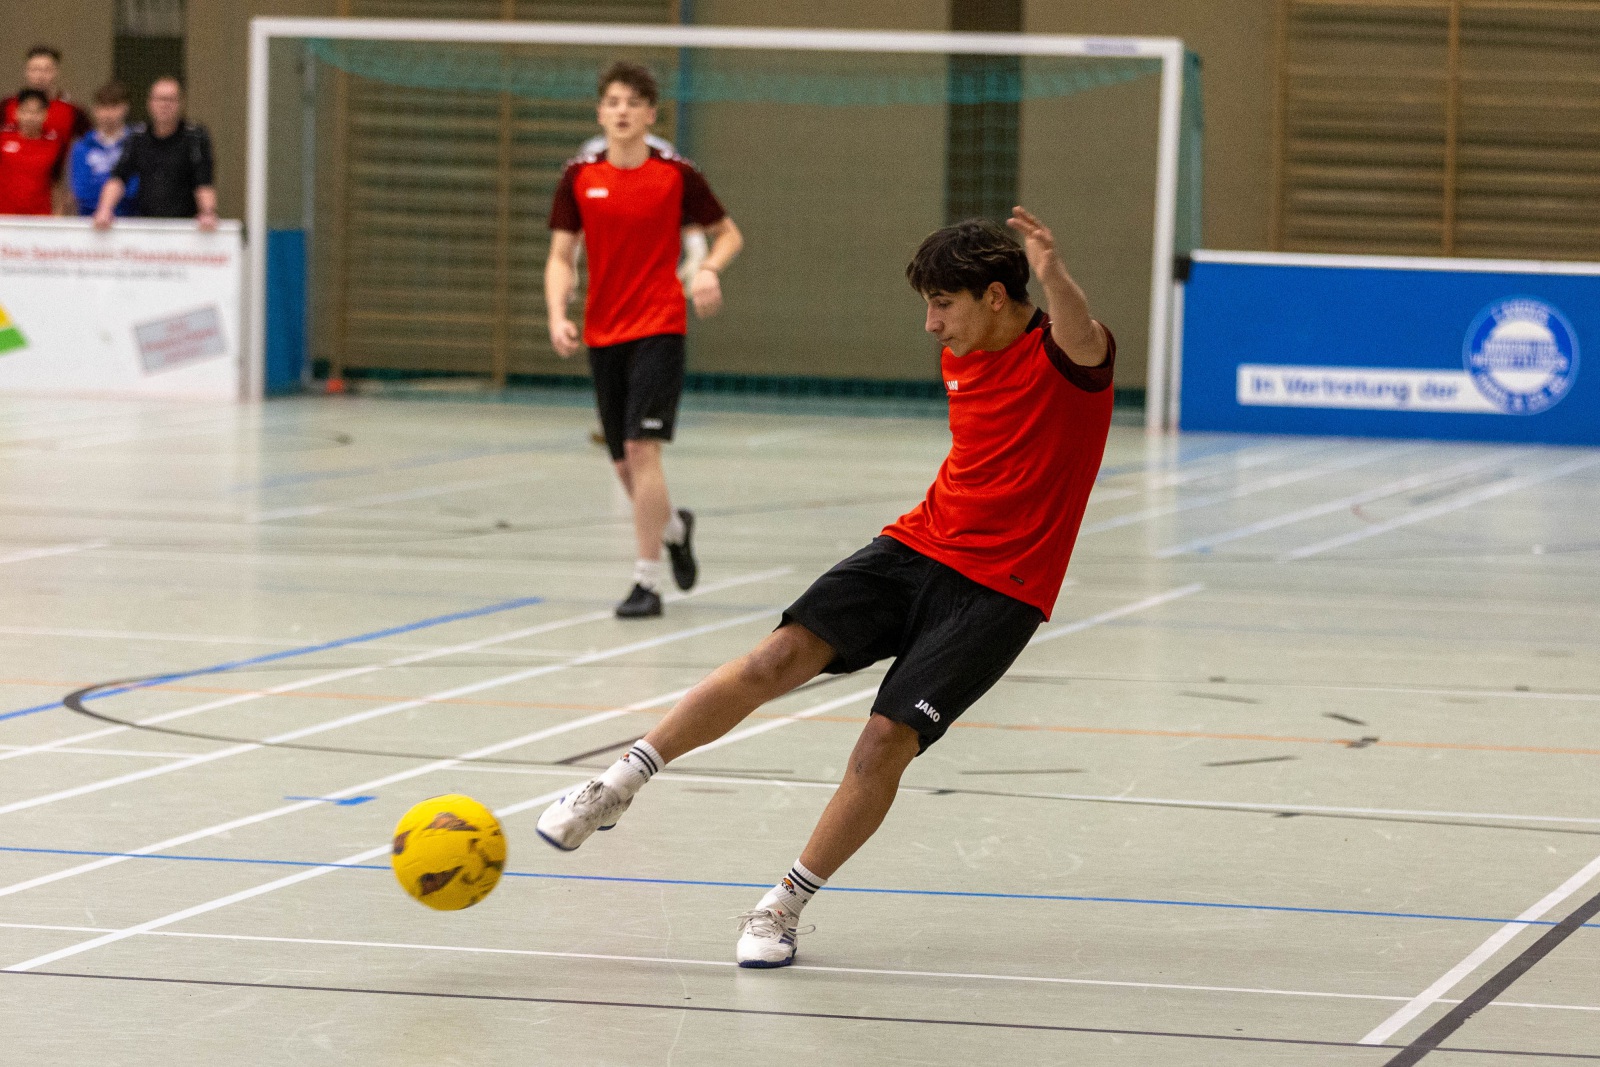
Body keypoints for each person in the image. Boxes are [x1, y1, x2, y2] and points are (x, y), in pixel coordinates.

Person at [537, 207, 1116, 968]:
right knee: (776, 656)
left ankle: (782, 906)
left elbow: (1081, 332)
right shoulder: (961, 354)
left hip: (1000, 592)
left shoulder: (1068, 359)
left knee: (882, 745)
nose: (931, 324)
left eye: (943, 304)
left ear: (998, 297)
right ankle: (618, 782)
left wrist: (1055, 274)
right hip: (917, 546)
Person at [545, 62, 743, 619]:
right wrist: (557, 314)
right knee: (622, 465)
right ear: (600, 111)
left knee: (641, 449)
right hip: (602, 330)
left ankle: (645, 582)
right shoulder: (579, 177)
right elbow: (561, 255)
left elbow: (728, 234)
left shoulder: (676, 174)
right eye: (613, 101)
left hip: (659, 325)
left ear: (651, 114)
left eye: (633, 102)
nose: (622, 111)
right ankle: (674, 526)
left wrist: (708, 271)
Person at [93, 76, 217, 229]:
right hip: (146, 225)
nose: (164, 105)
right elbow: (118, 177)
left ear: (181, 103)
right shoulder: (138, 136)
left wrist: (208, 212)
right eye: (159, 99)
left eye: (170, 100)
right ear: (150, 103)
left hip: (184, 226)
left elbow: (204, 181)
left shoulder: (195, 136)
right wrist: (105, 209)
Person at [1, 45, 89, 157]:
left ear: (56, 72)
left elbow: (92, 144)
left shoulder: (72, 111)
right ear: (26, 72)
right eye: (34, 70)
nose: (40, 76)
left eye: (46, 70)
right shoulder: (7, 105)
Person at [69, 82, 134, 216]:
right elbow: (81, 191)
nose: (108, 114)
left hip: (129, 219)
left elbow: (135, 188)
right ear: (95, 110)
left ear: (125, 108)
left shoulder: (136, 145)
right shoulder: (82, 147)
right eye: (103, 107)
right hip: (89, 219)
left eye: (114, 106)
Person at [0, 89, 67, 215]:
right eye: (26, 111)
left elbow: (57, 181)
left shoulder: (55, 144)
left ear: (45, 114)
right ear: (16, 112)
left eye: (36, 112)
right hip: (5, 216)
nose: (30, 117)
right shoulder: (3, 138)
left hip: (40, 218)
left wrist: (58, 213)